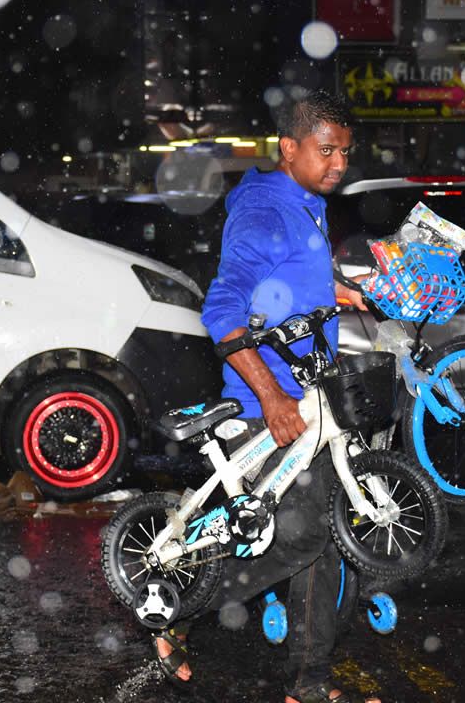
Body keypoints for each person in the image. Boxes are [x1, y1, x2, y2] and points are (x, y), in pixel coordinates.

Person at [152, 90, 378, 703]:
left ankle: (309, 684)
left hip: (311, 402)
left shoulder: (305, 202)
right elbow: (223, 309)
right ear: (289, 148)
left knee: (322, 543)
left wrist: (333, 288)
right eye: (326, 150)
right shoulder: (262, 210)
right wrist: (274, 398)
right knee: (301, 538)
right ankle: (174, 605)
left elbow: (285, 279)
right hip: (263, 411)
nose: (339, 164)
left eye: (345, 153)